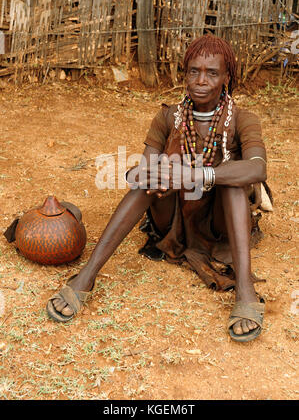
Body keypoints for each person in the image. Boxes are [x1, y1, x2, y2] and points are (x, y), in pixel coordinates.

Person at [47, 34, 270, 342]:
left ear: (226, 77)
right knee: (146, 185)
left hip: (221, 221)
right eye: (194, 71)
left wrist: (198, 176)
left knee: (234, 181)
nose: (201, 80)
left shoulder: (244, 119)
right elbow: (145, 169)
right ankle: (86, 277)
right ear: (185, 74)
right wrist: (149, 176)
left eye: (212, 73)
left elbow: (258, 168)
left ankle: (246, 292)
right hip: (173, 219)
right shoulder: (168, 116)